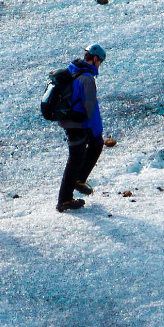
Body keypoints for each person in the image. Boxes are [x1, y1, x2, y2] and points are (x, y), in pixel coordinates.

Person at [56, 45, 106, 212]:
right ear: (94, 59)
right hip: (76, 123)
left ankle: (77, 183)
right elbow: (92, 109)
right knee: (77, 158)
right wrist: (98, 133)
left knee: (77, 157)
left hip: (70, 120)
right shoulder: (87, 79)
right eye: (100, 61)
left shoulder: (73, 70)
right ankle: (64, 200)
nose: (100, 65)